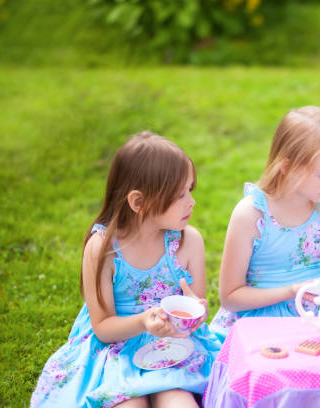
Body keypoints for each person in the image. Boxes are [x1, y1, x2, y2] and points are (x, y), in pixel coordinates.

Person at [31, 132, 221, 407]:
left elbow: (197, 314)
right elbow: (103, 328)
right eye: (179, 194)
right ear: (139, 203)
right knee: (129, 402)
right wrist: (143, 322)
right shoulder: (102, 249)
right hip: (116, 349)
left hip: (174, 348)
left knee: (179, 401)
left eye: (190, 190)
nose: (191, 201)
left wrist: (195, 311)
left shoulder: (188, 241)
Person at [210, 106, 320, 341]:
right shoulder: (251, 215)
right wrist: (291, 291)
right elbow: (230, 296)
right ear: (287, 166)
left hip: (319, 310)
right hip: (264, 317)